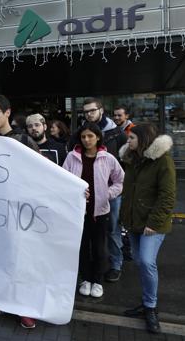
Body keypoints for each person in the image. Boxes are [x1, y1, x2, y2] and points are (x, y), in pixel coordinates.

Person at [0, 94, 39, 329]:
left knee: (21, 259)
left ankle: (24, 307)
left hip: (20, 209)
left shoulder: (23, 140)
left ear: (7, 113)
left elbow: (45, 172)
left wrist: (74, 190)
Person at [120, 124, 175, 334]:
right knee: (140, 262)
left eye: (131, 138)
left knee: (146, 261)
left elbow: (167, 196)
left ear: (142, 139)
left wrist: (153, 222)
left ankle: (151, 308)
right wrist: (124, 217)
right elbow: (129, 190)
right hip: (134, 221)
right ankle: (145, 303)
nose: (128, 142)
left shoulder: (163, 160)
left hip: (152, 224)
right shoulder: (133, 159)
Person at [63, 123, 124, 299]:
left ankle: (97, 280)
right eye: (83, 137)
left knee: (99, 248)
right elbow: (64, 181)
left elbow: (120, 181)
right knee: (81, 247)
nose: (87, 140)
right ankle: (86, 279)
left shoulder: (108, 158)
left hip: (100, 212)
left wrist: (107, 194)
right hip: (78, 212)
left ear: (97, 137)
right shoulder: (71, 157)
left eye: (90, 136)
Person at [76, 98, 128, 283]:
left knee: (112, 230)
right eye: (85, 111)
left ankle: (115, 265)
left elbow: (124, 164)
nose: (88, 114)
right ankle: (91, 269)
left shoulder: (117, 133)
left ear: (101, 110)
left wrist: (110, 192)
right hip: (85, 197)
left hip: (109, 193)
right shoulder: (81, 132)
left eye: (92, 110)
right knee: (88, 235)